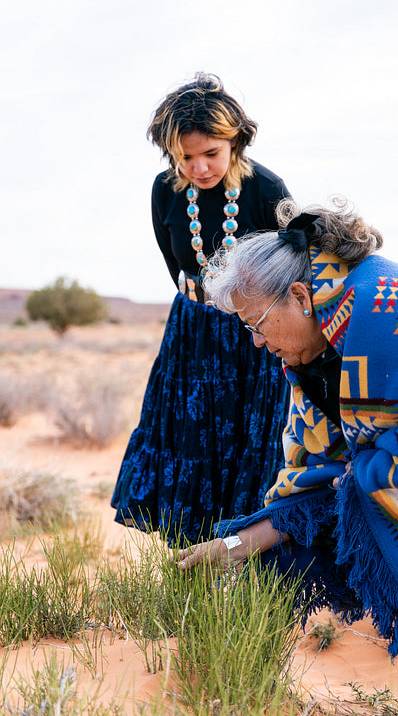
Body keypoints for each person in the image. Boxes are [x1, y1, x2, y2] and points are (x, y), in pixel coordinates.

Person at [175, 197, 398, 714]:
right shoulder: (311, 358)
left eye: (256, 323)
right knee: (318, 528)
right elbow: (311, 476)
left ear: (300, 296)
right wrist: (236, 543)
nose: (257, 342)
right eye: (246, 329)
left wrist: (363, 476)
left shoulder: (383, 307)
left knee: (377, 501)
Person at [111, 73, 291, 543]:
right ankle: (194, 561)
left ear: (236, 141)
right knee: (191, 441)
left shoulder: (266, 189)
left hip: (256, 338)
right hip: (191, 335)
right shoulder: (164, 191)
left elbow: (298, 269)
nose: (199, 168)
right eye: (185, 157)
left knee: (251, 445)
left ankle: (251, 561)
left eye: (210, 153)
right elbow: (176, 266)